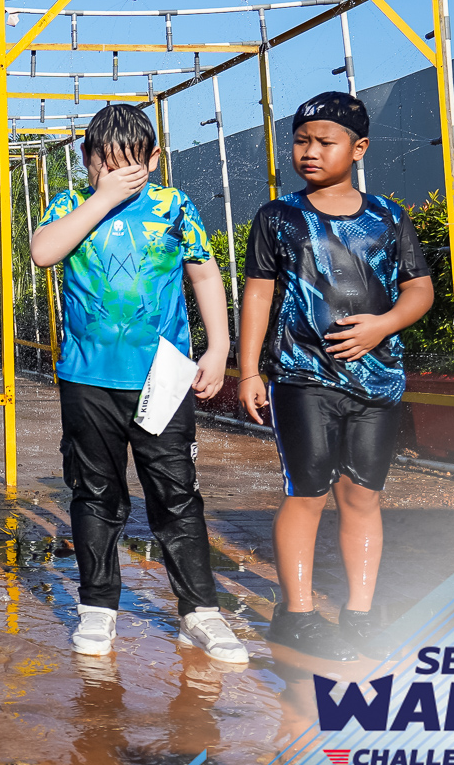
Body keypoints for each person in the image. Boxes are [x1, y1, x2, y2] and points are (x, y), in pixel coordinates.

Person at [30, 104, 246, 665]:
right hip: (88, 378)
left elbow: (203, 272)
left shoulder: (174, 206)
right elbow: (43, 252)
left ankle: (199, 611)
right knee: (95, 493)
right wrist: (101, 199)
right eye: (106, 164)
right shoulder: (71, 204)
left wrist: (218, 347)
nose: (119, 175)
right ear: (86, 161)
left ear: (153, 160)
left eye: (131, 164)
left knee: (176, 493)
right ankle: (98, 606)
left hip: (163, 376)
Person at [237, 91, 433, 660]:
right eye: (301, 141)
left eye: (325, 141)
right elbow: (258, 294)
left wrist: (383, 326)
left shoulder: (388, 217)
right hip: (302, 376)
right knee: (306, 491)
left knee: (363, 496)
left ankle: (360, 613)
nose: (310, 151)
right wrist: (248, 371)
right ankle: (296, 614)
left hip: (377, 378)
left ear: (359, 147)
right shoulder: (278, 217)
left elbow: (419, 288)